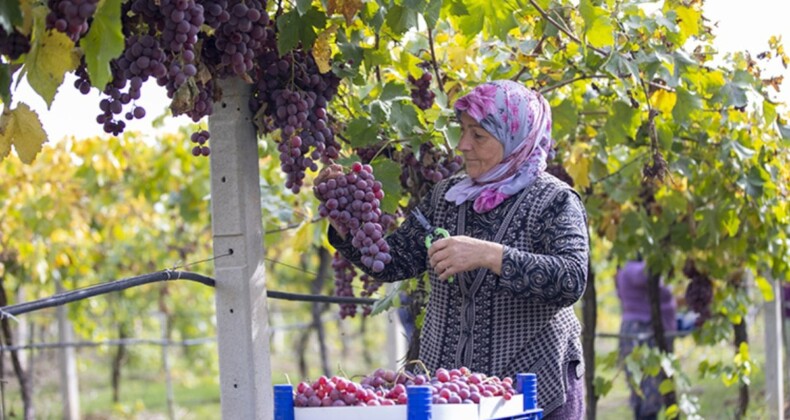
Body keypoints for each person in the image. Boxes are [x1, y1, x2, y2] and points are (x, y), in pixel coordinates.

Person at [316, 80, 589, 418]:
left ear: (515, 137)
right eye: (463, 132)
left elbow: (571, 279)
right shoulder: (447, 196)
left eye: (479, 136)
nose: (462, 146)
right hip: (453, 396)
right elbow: (392, 263)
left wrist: (489, 255)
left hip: (534, 391)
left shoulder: (555, 200)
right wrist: (349, 231)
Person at [616, 259, 677, 420]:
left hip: (640, 330)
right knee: (649, 385)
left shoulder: (624, 270)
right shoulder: (634, 269)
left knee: (645, 385)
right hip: (644, 331)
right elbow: (645, 276)